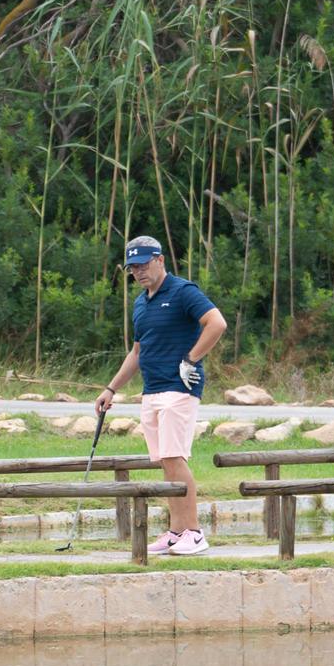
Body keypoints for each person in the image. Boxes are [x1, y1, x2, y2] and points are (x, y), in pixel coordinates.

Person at [94, 236, 228, 555]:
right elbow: (137, 352)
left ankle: (193, 533)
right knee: (165, 461)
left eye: (143, 264)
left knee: (174, 457)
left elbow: (217, 323)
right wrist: (111, 388)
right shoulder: (141, 303)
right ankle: (176, 531)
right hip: (151, 390)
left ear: (160, 260)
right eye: (133, 267)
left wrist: (191, 359)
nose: (139, 271)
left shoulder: (183, 291)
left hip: (180, 388)